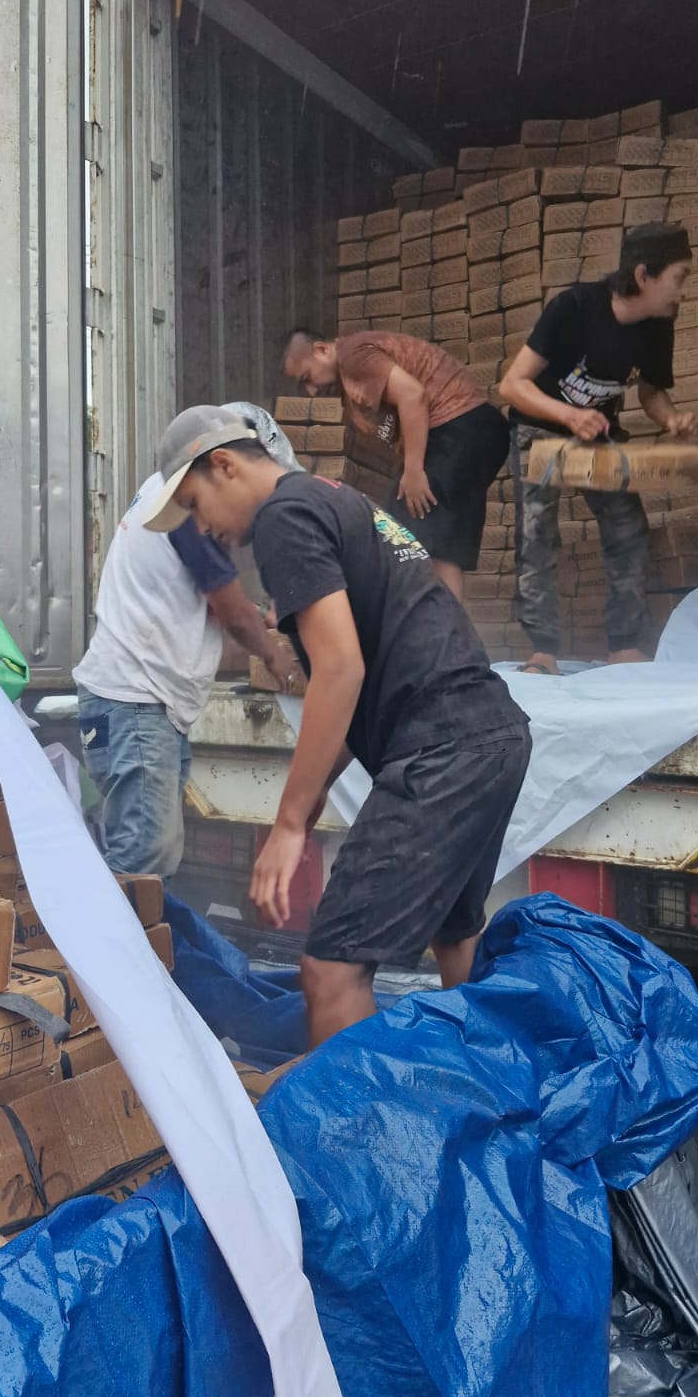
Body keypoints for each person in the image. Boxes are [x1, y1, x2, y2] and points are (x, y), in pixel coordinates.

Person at [142, 405, 532, 1047]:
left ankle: (355, 1116)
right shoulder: (334, 498)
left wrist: (291, 824)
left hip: (441, 748)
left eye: (194, 504)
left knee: (330, 971)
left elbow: (341, 669)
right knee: (456, 937)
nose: (203, 528)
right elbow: (369, 678)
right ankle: (485, 1090)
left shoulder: (283, 517)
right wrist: (313, 790)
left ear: (224, 465)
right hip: (491, 735)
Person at [72, 408, 299, 878]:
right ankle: (105, 929)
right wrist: (277, 657)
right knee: (144, 856)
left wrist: (259, 616)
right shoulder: (186, 502)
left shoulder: (166, 491)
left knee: (152, 854)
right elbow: (231, 613)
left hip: (136, 701)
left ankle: (129, 926)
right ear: (224, 463)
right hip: (134, 701)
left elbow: (205, 598)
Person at [497, 222, 696, 673]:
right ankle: (543, 651)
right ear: (643, 275)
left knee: (627, 527)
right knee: (537, 536)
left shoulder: (658, 324)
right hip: (539, 430)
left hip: (596, 434)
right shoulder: (573, 308)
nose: (683, 290)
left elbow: (651, 391)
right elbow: (512, 385)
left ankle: (624, 646)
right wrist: (569, 416)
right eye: (679, 277)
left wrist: (670, 420)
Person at [281, 327, 510, 602]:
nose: (311, 391)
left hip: (459, 428)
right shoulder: (351, 372)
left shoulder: (352, 356)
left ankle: (442, 624)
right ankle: (443, 621)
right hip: (475, 431)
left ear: (321, 350)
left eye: (307, 377)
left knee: (418, 529)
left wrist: (413, 472)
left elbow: (412, 395)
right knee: (422, 533)